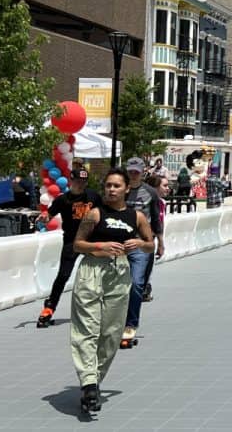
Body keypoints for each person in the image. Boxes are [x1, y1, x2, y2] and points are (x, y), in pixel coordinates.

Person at [71, 168, 154, 413]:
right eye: (108, 185)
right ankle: (88, 383)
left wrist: (140, 243)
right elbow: (77, 244)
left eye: (117, 186)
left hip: (119, 273)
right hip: (92, 272)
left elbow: (150, 245)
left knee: (111, 333)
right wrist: (99, 246)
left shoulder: (136, 217)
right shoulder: (94, 214)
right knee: (87, 328)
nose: (111, 189)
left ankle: (94, 380)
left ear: (127, 189)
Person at [36, 169, 103, 328]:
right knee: (63, 275)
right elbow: (49, 215)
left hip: (92, 240)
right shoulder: (63, 200)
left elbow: (104, 214)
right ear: (71, 181)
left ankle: (102, 309)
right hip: (72, 241)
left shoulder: (93, 196)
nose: (81, 184)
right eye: (78, 181)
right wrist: (45, 218)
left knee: (100, 273)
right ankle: (49, 308)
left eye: (84, 182)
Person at [123, 157, 163, 347]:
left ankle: (130, 325)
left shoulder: (150, 193)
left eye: (136, 171)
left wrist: (160, 242)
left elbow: (156, 219)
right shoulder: (119, 190)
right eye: (130, 171)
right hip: (118, 243)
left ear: (142, 172)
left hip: (141, 243)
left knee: (137, 283)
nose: (133, 174)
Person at [142, 175, 170, 301]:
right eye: (164, 185)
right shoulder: (145, 201)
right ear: (154, 188)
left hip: (152, 240)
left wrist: (160, 242)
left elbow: (160, 223)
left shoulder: (162, 203)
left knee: (149, 265)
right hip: (140, 239)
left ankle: (145, 288)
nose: (167, 189)